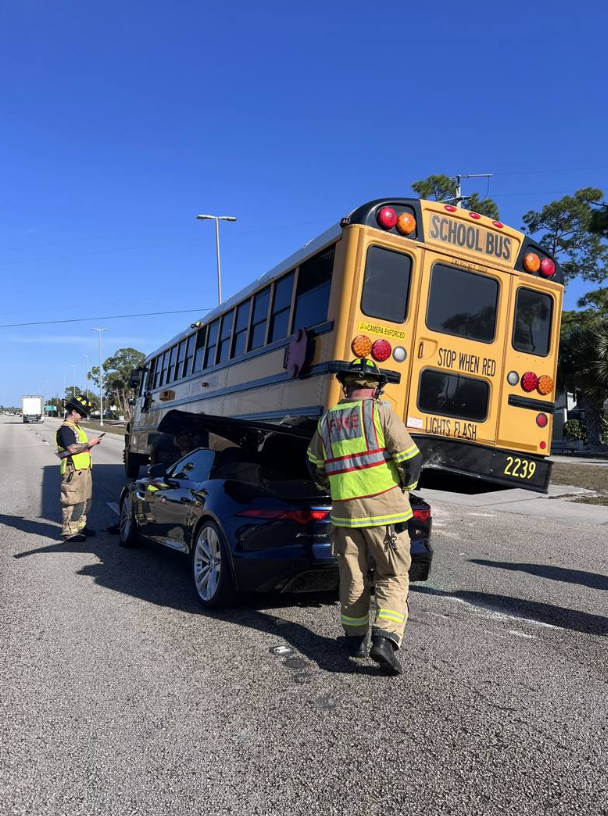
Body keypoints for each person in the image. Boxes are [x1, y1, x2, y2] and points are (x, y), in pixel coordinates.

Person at [306, 358, 422, 676]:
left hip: (345, 514)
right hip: (387, 513)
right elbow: (411, 460)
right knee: (392, 576)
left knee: (353, 577)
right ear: (376, 387)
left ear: (346, 386)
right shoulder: (380, 412)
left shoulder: (328, 420)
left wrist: (329, 485)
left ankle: (355, 640)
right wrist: (406, 487)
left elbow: (313, 464)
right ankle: (385, 639)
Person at [56, 396, 103, 543]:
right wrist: (90, 443)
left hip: (83, 469)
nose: (82, 417)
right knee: (72, 501)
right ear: (73, 411)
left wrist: (91, 445)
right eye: (81, 414)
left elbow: (80, 449)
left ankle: (80, 527)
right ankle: (69, 532)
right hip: (73, 470)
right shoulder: (66, 428)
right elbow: (72, 448)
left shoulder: (76, 427)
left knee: (84, 501)